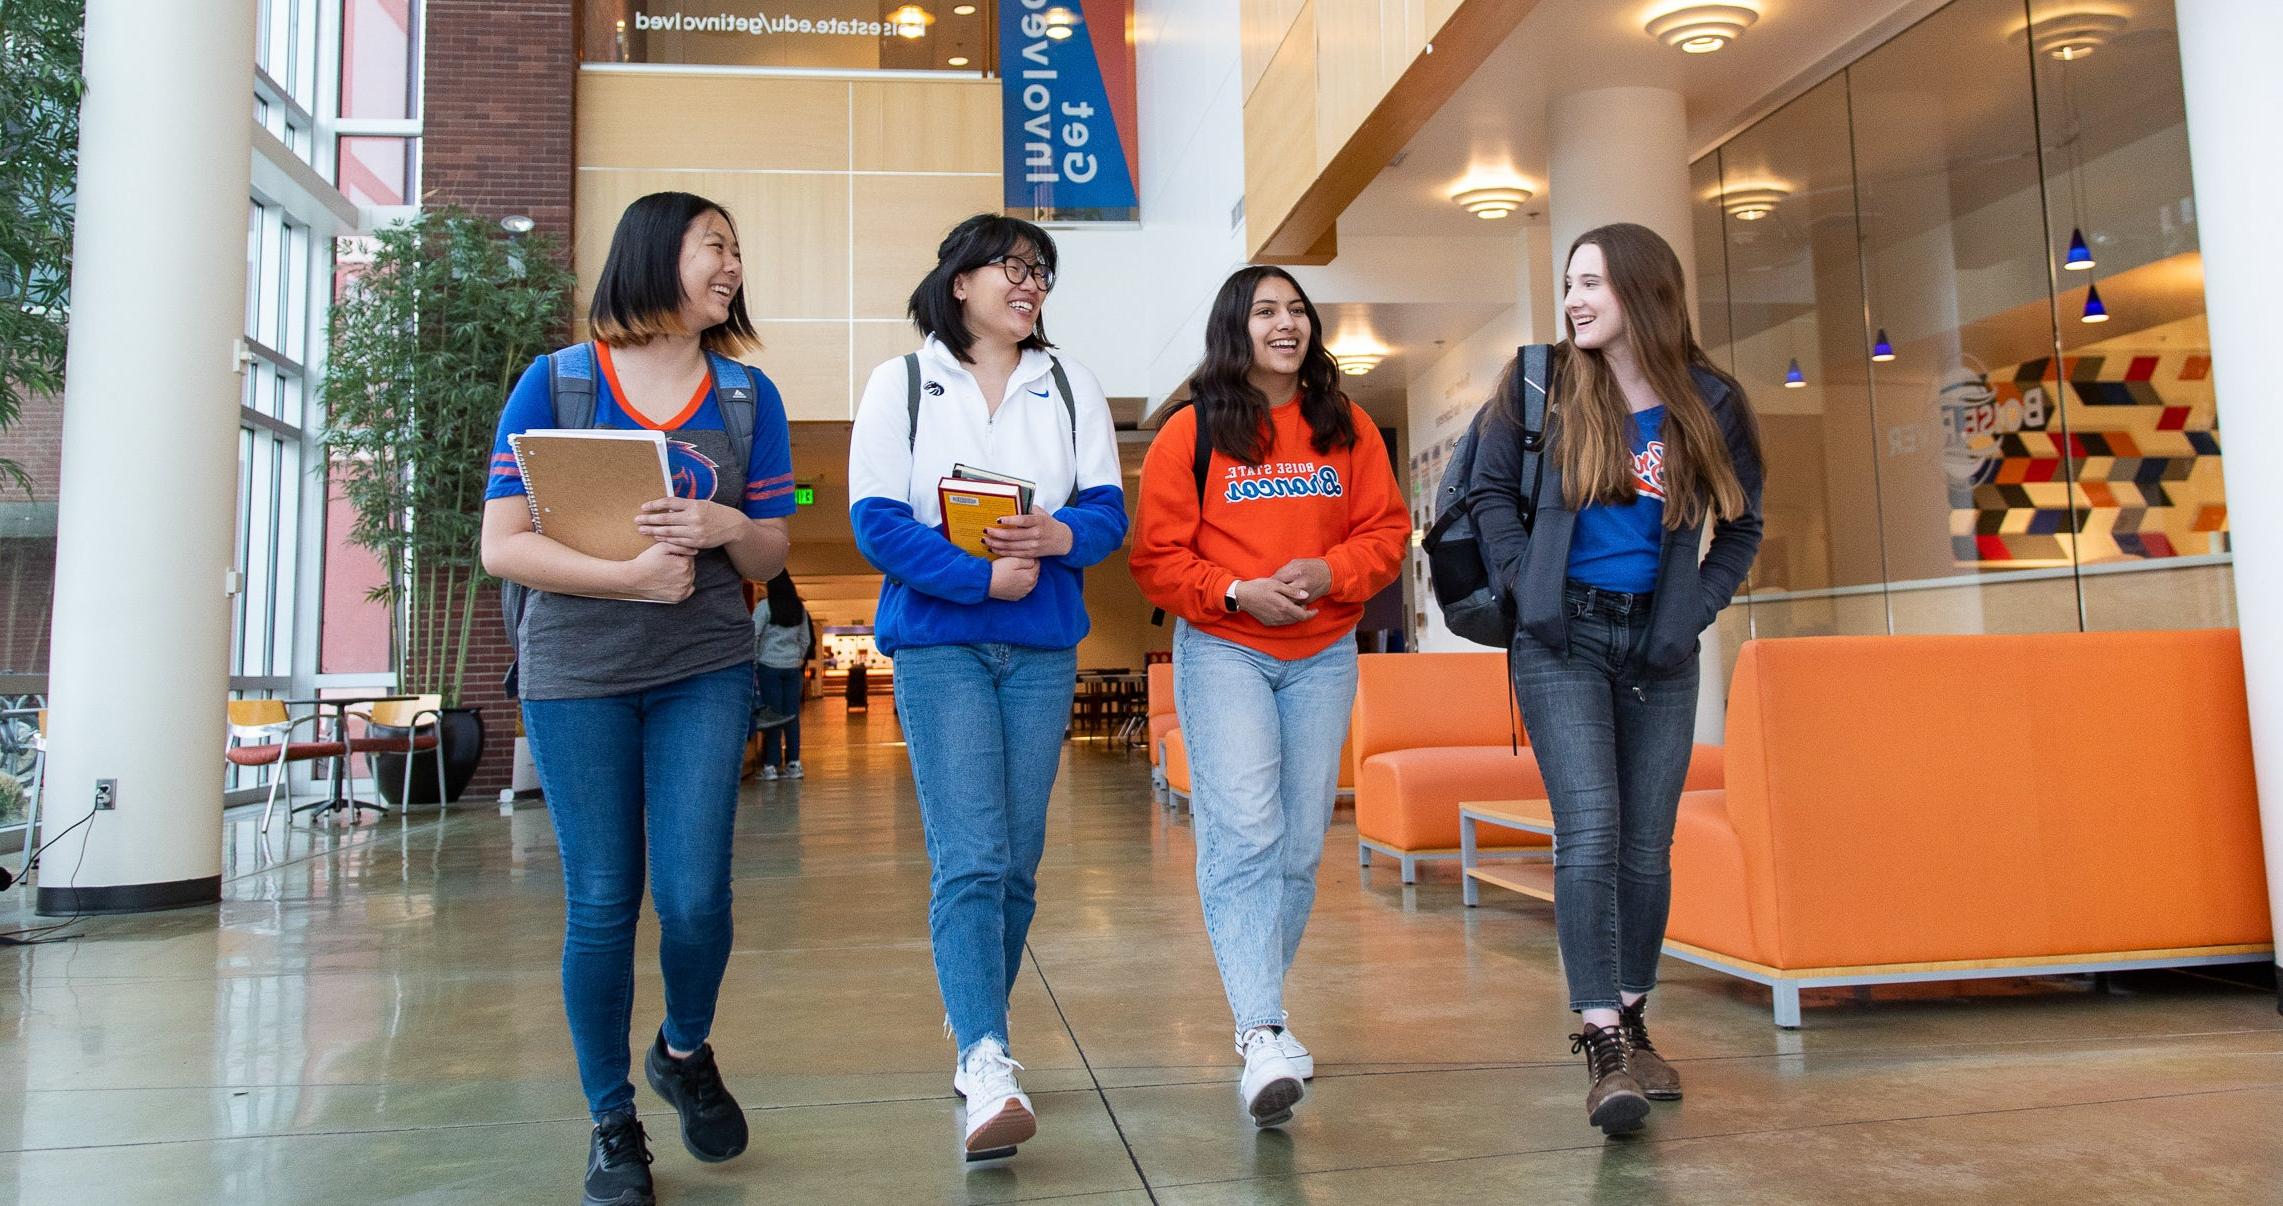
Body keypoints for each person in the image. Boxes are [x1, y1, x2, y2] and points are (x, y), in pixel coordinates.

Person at [480, 191, 795, 1205]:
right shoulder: (560, 384)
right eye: (716, 245)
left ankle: (683, 1048)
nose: (733, 264)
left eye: (737, 250)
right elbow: (503, 545)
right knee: (605, 899)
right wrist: (627, 579)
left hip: (704, 665)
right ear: (658, 255)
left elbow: (772, 544)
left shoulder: (747, 397)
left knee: (697, 895)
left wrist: (720, 527)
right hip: (579, 673)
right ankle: (612, 1122)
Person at [1469, 222, 1763, 1137]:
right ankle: (1599, 1038)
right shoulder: (1541, 387)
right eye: (1568, 285)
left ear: (1643, 291)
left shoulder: (1710, 400)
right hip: (1563, 641)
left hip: (1658, 650)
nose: (1574, 301)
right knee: (1589, 833)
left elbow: (1743, 526)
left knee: (1646, 844)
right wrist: (1526, 583)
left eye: (1590, 282)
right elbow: (1483, 495)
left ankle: (1633, 1014)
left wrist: (1692, 612)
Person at [846, 213, 1127, 1161]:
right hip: (940, 646)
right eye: (1011, 266)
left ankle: (978, 1039)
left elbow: (1104, 510)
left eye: (1040, 270)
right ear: (958, 280)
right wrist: (978, 578)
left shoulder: (1069, 383)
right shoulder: (902, 383)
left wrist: (1058, 539)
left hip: (1041, 646)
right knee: (968, 855)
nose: (1029, 282)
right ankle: (986, 1051)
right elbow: (876, 522)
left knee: (1015, 863)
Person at [1128, 266, 1409, 1129]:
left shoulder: (1346, 424)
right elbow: (1157, 558)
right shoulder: (1190, 432)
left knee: (1294, 847)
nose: (1284, 324)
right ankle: (1260, 1029)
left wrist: (1329, 571)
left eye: (1296, 310)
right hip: (1225, 650)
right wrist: (1235, 591)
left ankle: (1264, 1015)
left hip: (1323, 652)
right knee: (1244, 831)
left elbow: (1387, 532)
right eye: (1265, 311)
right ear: (1233, 328)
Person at [751, 570, 813, 779]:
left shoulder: (765, 607)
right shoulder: (799, 609)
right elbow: (805, 639)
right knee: (792, 716)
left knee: (773, 716)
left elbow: (754, 635)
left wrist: (755, 659)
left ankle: (771, 765)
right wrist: (797, 659)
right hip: (792, 668)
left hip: (769, 667)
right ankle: (794, 763)